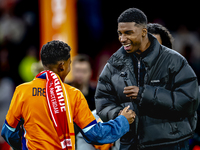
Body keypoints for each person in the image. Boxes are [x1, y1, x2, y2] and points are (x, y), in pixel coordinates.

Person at [95, 8, 199, 150]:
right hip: (129, 144)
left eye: (128, 33)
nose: (122, 38)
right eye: (120, 33)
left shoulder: (174, 61)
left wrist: (144, 94)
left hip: (168, 144)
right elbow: (102, 100)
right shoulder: (114, 64)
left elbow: (189, 100)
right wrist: (119, 115)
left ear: (144, 33)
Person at [1, 40, 136, 150]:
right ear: (62, 66)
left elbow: (8, 132)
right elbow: (95, 135)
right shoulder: (73, 95)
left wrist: (23, 147)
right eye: (69, 64)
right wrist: (123, 120)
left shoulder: (22, 91)